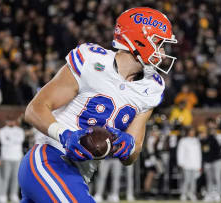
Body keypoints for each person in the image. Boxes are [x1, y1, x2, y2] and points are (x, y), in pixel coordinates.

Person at [20, 7, 177, 202]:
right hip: (50, 158)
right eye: (159, 44)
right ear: (138, 40)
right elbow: (34, 109)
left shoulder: (152, 87)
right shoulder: (92, 60)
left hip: (80, 175)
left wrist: (125, 144)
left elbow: (133, 151)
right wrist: (64, 135)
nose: (162, 53)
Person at [0, 116, 25, 203]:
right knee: (5, 177)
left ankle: (13, 195)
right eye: (9, 121)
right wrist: (14, 141)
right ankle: (3, 195)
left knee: (15, 177)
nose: (11, 123)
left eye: (13, 121)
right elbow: (4, 142)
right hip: (6, 157)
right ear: (6, 122)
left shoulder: (20, 131)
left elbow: (20, 140)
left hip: (17, 157)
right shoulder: (2, 131)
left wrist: (10, 139)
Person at [177, 127, 201, 202]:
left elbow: (199, 154)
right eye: (191, 131)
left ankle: (191, 193)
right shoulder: (183, 141)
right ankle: (183, 194)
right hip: (186, 164)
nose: (192, 133)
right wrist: (180, 162)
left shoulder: (196, 141)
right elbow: (180, 152)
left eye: (193, 131)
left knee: (193, 181)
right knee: (186, 180)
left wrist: (199, 165)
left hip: (195, 164)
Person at [199, 120, 221, 202]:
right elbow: (202, 154)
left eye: (203, 132)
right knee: (209, 179)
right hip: (208, 162)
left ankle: (218, 194)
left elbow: (217, 151)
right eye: (201, 133)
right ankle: (210, 194)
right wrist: (206, 162)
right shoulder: (201, 141)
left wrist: (211, 161)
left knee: (217, 178)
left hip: (216, 161)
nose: (202, 134)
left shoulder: (212, 139)